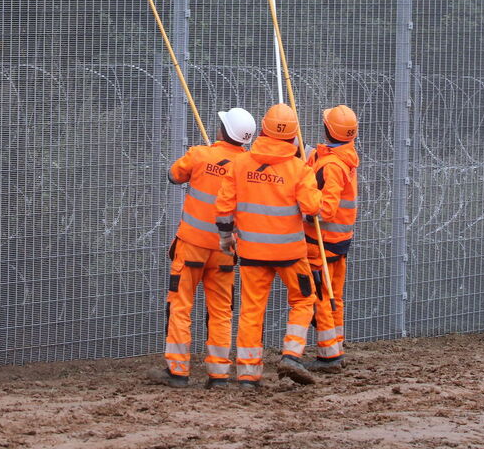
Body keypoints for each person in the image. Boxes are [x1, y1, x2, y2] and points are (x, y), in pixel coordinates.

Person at [148, 108, 257, 389]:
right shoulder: (249, 166)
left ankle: (178, 371)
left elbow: (173, 175)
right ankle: (219, 374)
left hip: (191, 247)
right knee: (221, 311)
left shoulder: (199, 155)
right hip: (225, 250)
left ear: (223, 130)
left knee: (180, 306)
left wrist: (207, 163)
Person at [215, 103, 322, 388]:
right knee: (303, 301)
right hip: (291, 254)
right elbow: (312, 208)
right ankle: (292, 355)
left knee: (251, 311)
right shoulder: (299, 169)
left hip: (252, 253)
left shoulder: (240, 164)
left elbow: (224, 206)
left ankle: (248, 376)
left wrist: (226, 238)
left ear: (262, 130)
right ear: (294, 135)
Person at [304, 105, 359, 372]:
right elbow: (317, 159)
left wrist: (305, 209)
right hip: (339, 240)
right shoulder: (345, 157)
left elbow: (325, 209)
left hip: (322, 243)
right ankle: (336, 346)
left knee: (321, 298)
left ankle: (328, 355)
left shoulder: (332, 166)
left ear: (327, 129)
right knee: (334, 296)